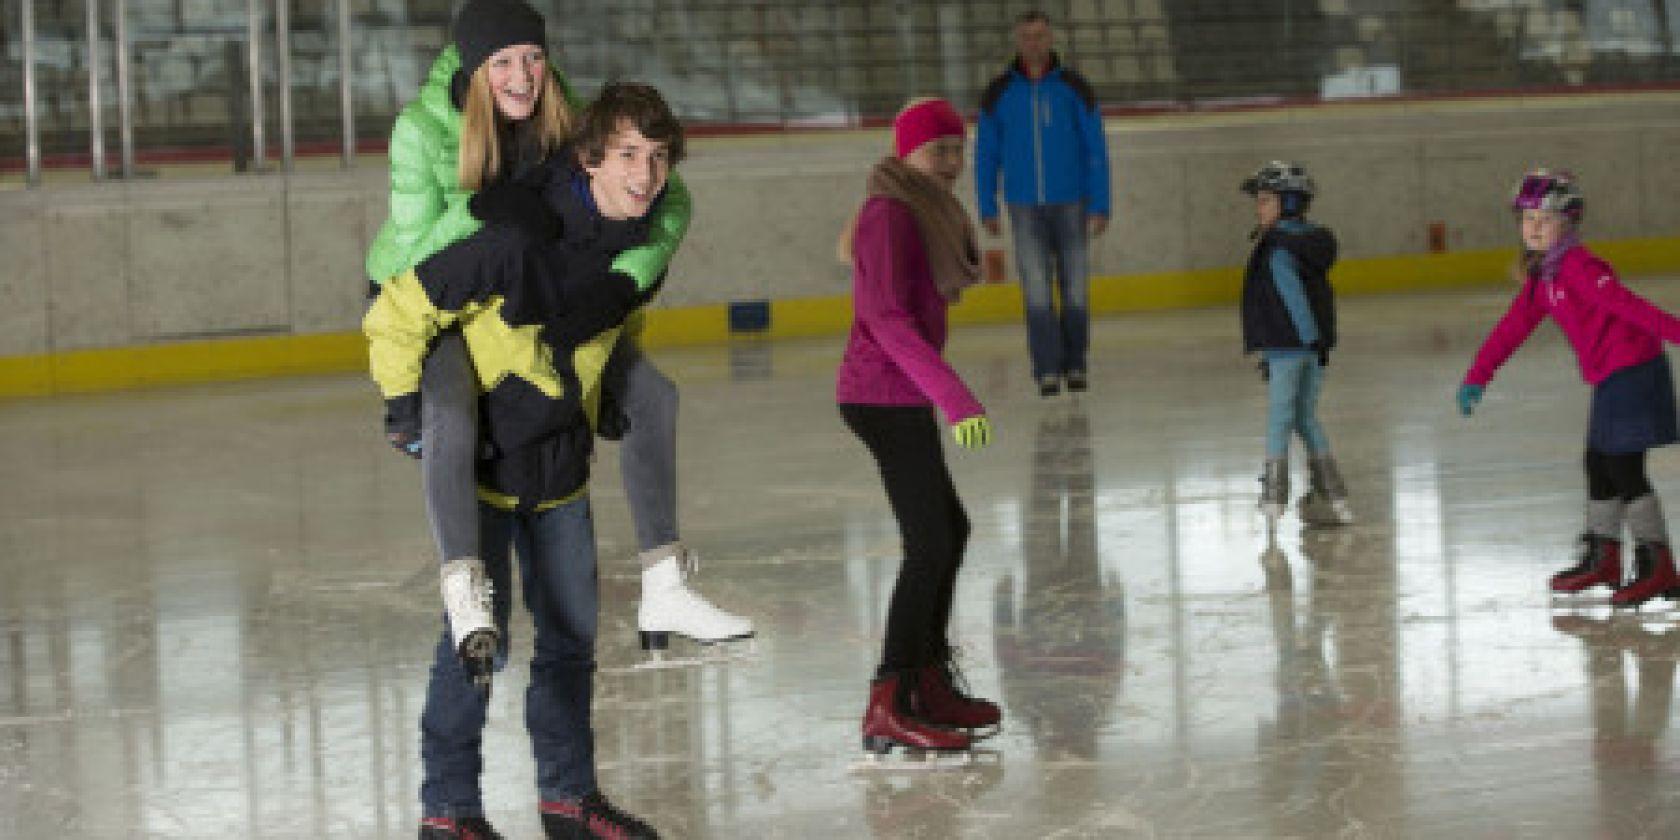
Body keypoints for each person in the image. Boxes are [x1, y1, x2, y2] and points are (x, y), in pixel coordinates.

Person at [362, 0, 750, 687]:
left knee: (653, 395)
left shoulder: (560, 105)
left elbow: (661, 200)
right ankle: (464, 589)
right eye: (504, 62)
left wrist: (624, 285)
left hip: (532, 281)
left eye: (533, 58)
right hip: (434, 290)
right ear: (477, 66)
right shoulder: (421, 131)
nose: (523, 76)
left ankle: (664, 579)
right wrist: (484, 208)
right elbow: (417, 263)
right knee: (450, 414)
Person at [365, 82, 688, 840]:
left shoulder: (629, 242)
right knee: (477, 643)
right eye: (628, 156)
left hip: (562, 470)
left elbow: (609, 324)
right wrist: (406, 407)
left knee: (572, 639)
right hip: (484, 469)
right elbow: (398, 312)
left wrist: (607, 387)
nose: (644, 175)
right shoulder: (517, 237)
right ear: (589, 159)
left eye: (658, 158)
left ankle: (567, 800)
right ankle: (448, 813)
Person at [838, 97, 999, 761]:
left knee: (948, 532)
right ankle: (890, 701)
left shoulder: (921, 209)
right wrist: (955, 397)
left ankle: (927, 679)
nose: (953, 163)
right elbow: (885, 318)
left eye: (959, 149)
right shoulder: (888, 215)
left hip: (900, 392)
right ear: (907, 153)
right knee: (930, 542)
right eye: (940, 150)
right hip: (881, 394)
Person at [1459, 169, 1680, 610]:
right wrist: (1478, 375)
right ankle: (1604, 557)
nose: (1533, 227)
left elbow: (1626, 305)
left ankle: (1658, 565)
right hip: (1611, 375)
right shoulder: (1546, 276)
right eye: (1526, 219)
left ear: (1569, 223)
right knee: (1598, 462)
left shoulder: (1578, 267)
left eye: (1544, 219)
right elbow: (1512, 328)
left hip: (1634, 370)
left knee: (1621, 466)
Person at [975, 9, 1111, 397]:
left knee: (1075, 290)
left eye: (1040, 36)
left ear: (1051, 39)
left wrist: (1101, 203)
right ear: (1017, 41)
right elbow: (986, 154)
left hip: (1072, 203)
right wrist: (987, 204)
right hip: (1023, 207)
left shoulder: (1074, 87)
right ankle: (1047, 370)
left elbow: (1095, 149)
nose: (1034, 43)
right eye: (1027, 37)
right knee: (1036, 289)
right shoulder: (998, 92)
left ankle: (1076, 364)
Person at [1239, 161, 1353, 526]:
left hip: (1290, 347)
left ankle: (1274, 495)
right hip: (1310, 349)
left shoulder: (1277, 250)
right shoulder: (1307, 242)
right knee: (1306, 418)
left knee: (1279, 419)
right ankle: (1333, 493)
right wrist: (1316, 345)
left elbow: (1294, 302)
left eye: (1265, 201)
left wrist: (1302, 341)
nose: (1258, 208)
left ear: (1288, 203)